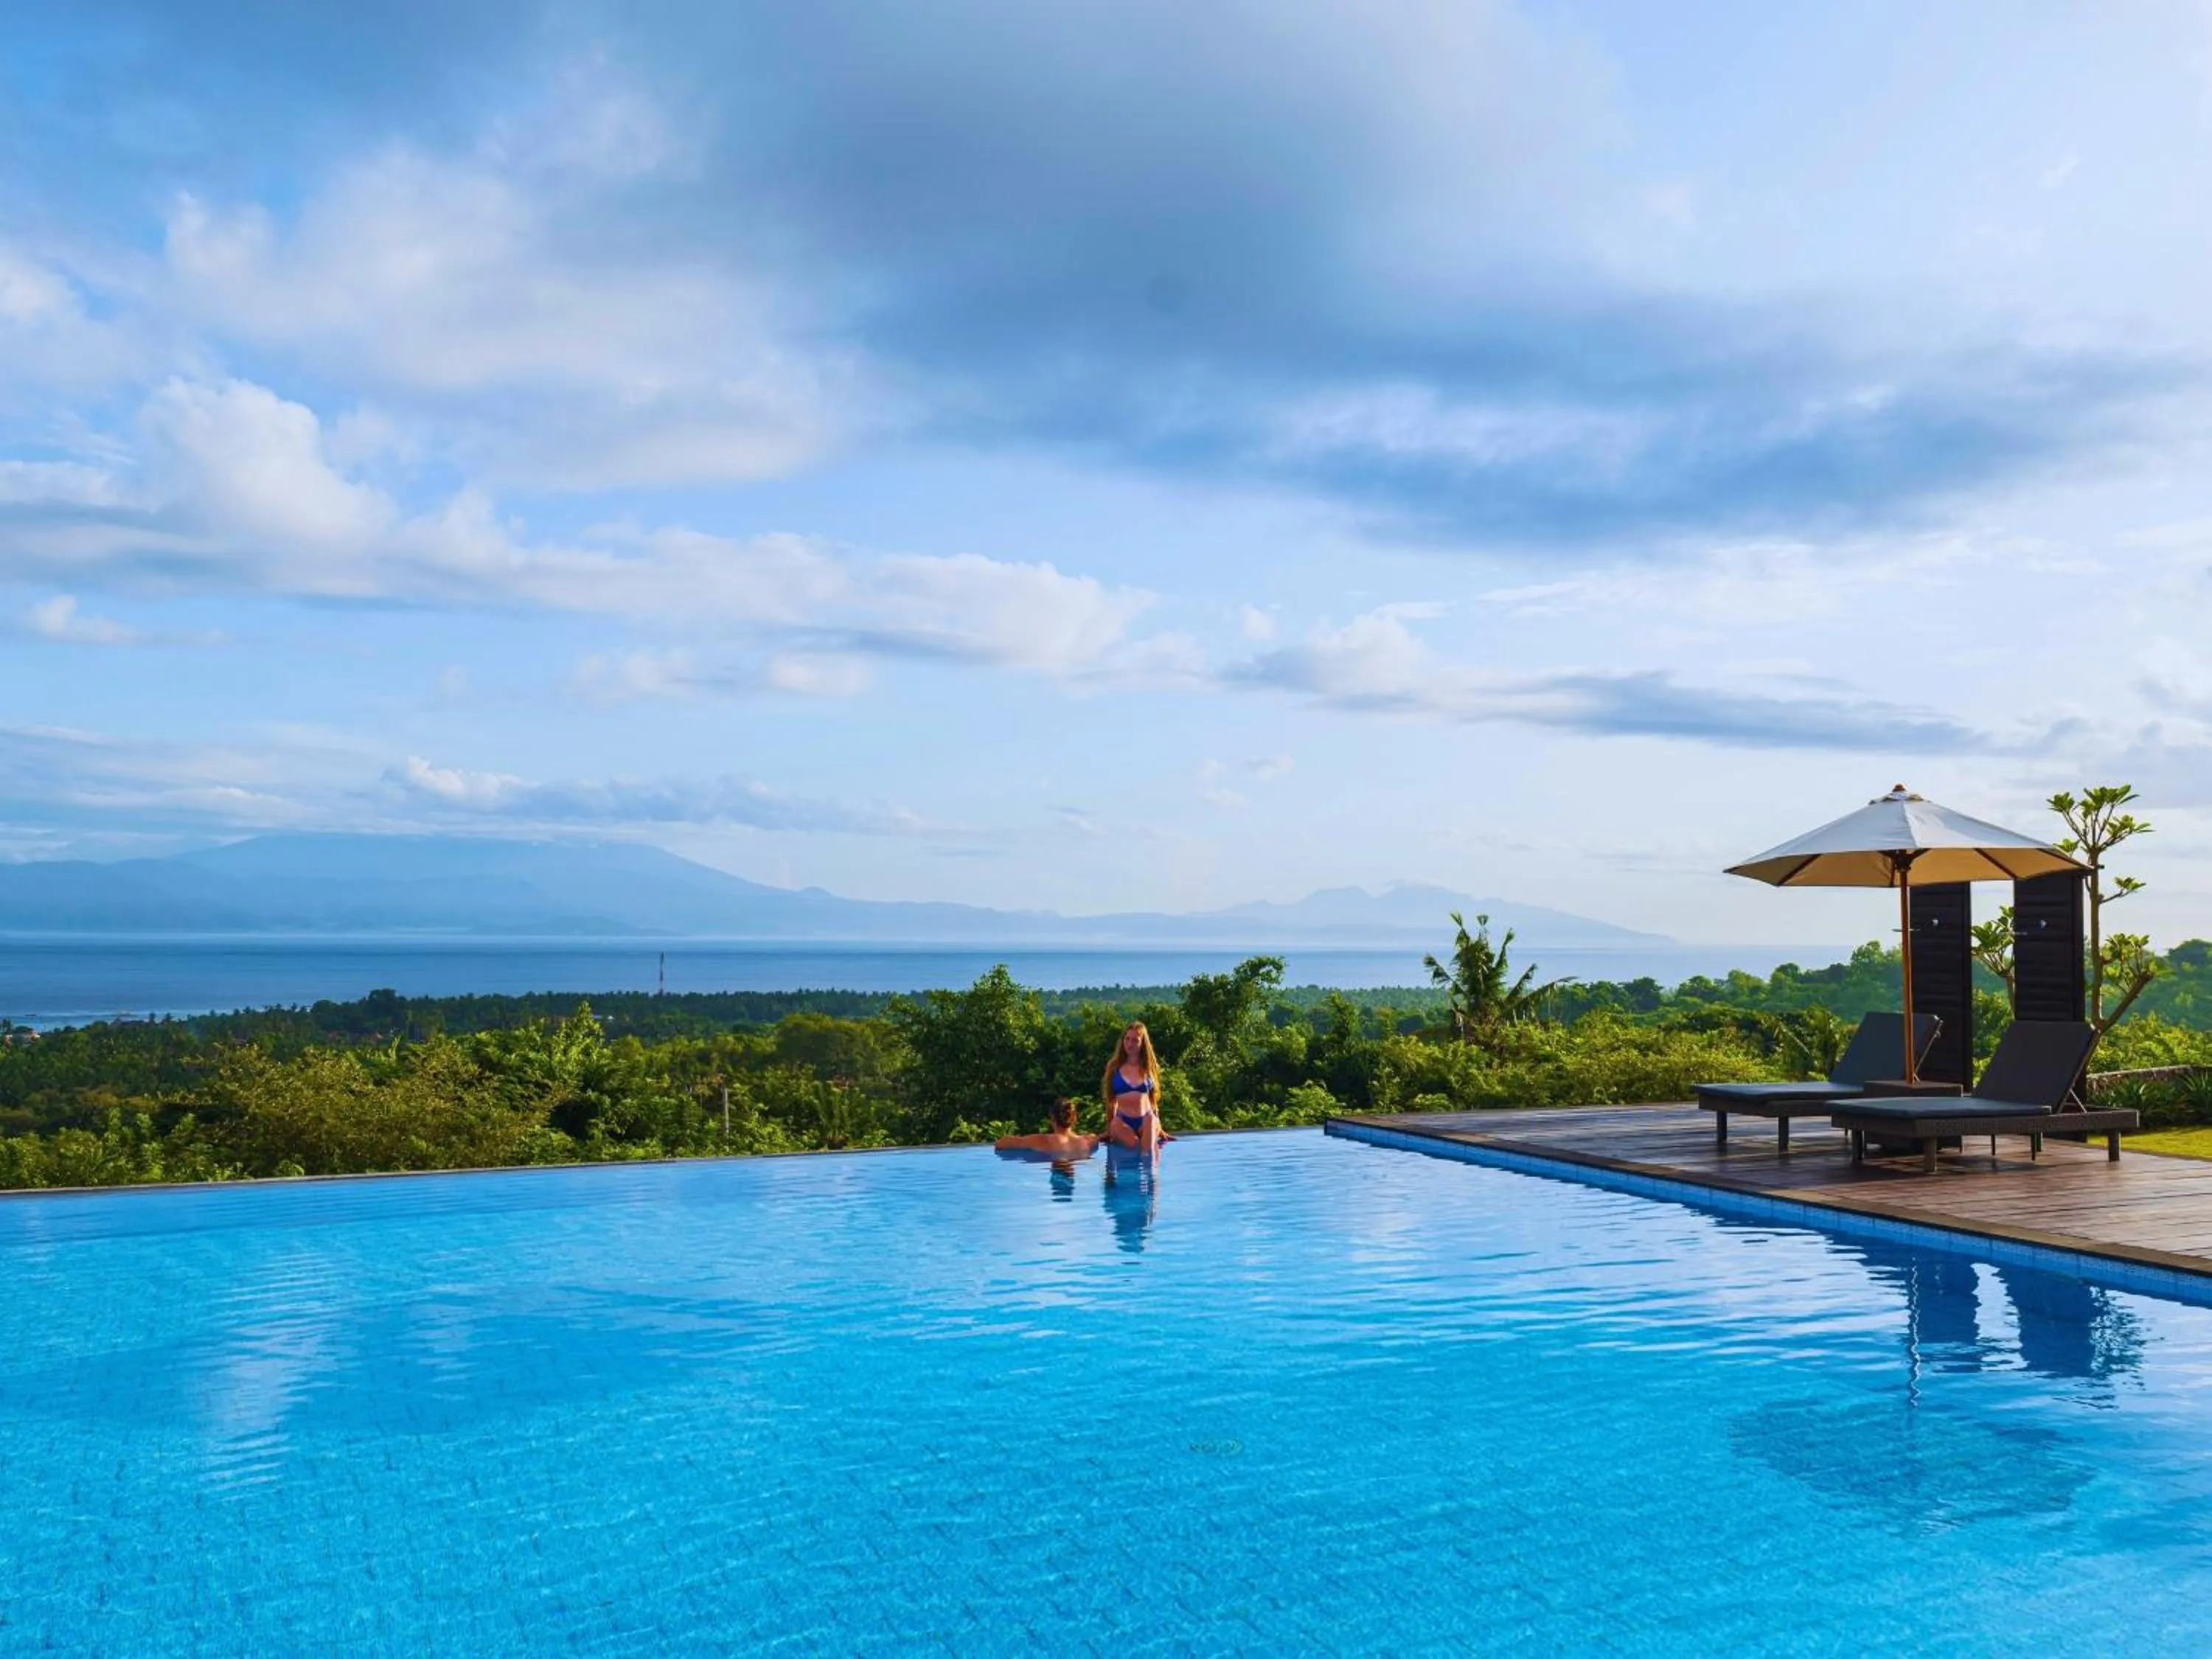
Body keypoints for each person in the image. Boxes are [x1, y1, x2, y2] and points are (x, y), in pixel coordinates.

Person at [1102, 1021, 1171, 1156]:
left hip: (1146, 1119)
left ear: (1142, 1043)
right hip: (1122, 1120)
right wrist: (1109, 1128)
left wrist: (1160, 1128)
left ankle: (1152, 1170)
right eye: (1127, 1039)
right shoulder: (1114, 1067)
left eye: (1135, 1040)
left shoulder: (1149, 1067)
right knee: (1134, 1146)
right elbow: (1111, 1101)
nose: (1130, 1044)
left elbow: (1153, 1100)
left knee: (1147, 1152)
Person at [994, 1097, 1099, 1158]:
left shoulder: (1043, 1141)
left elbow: (1001, 1144)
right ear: (1075, 1119)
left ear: (1052, 1118)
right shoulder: (1089, 1141)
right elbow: (1101, 1138)